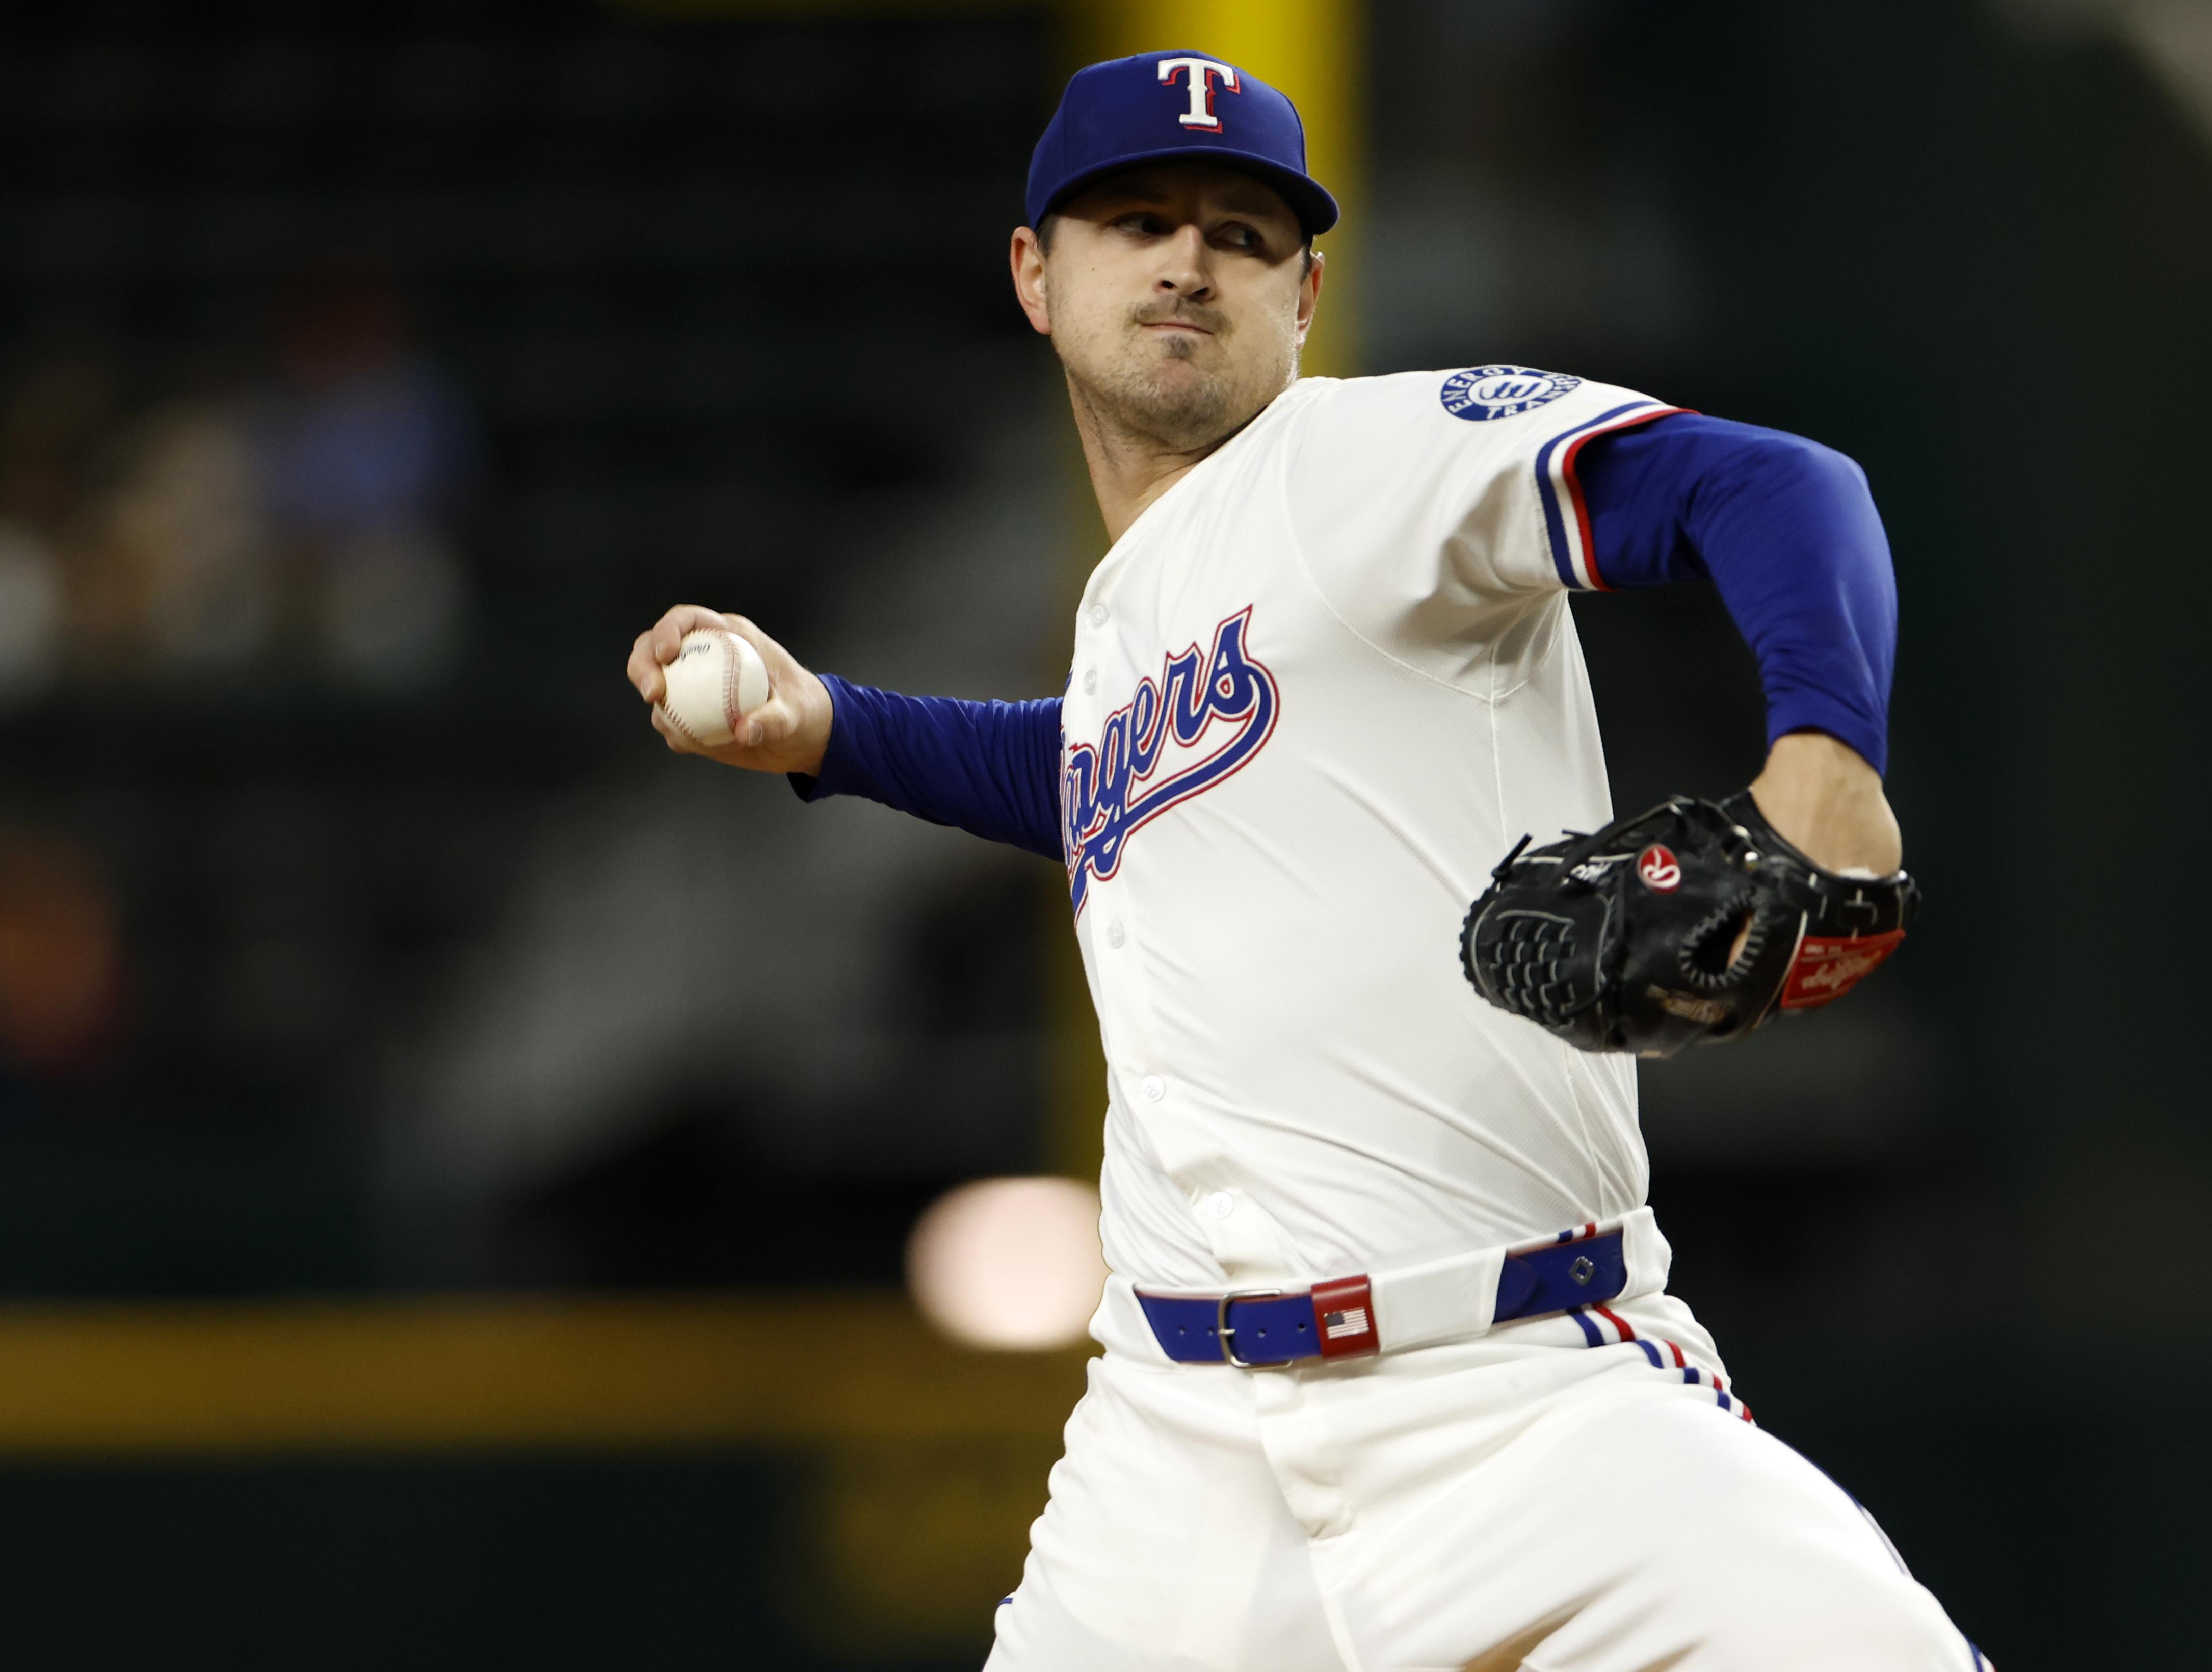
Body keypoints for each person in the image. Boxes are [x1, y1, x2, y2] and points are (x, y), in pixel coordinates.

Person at [628, 49, 1986, 1672]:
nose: (1190, 258)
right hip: (1179, 1456)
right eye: (1137, 219)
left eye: (1242, 232)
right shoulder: (1137, 610)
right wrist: (833, 728)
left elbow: (1775, 486)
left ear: (1307, 293)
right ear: (1035, 277)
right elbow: (1085, 770)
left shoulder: (1371, 465)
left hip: (1520, 1398)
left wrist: (1822, 762)